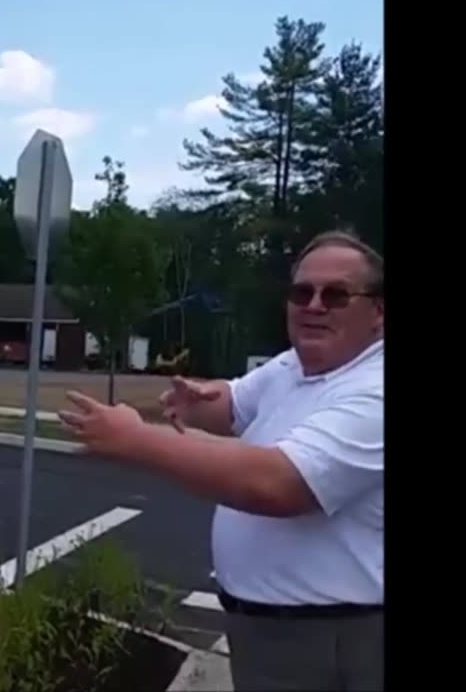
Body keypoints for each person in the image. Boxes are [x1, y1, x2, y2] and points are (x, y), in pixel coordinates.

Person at [58, 230, 384, 691]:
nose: (313, 305)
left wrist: (136, 440)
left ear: (377, 311)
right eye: (300, 292)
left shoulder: (374, 391)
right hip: (271, 627)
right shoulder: (298, 364)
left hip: (331, 638)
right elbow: (232, 403)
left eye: (335, 295)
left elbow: (279, 484)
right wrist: (197, 401)